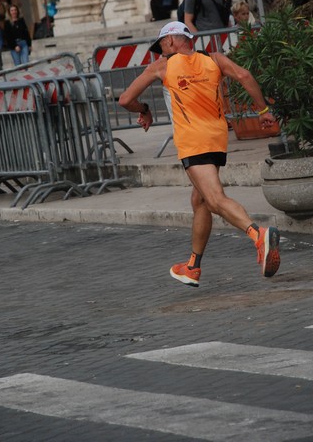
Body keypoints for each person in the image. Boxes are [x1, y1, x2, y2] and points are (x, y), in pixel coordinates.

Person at [119, 21, 281, 287]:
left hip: (193, 142)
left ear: (171, 41)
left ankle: (258, 235)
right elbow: (245, 76)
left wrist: (144, 109)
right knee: (201, 201)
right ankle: (193, 266)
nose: (160, 52)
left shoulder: (162, 66)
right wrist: (264, 111)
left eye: (160, 46)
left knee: (215, 200)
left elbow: (125, 99)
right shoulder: (214, 59)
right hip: (217, 139)